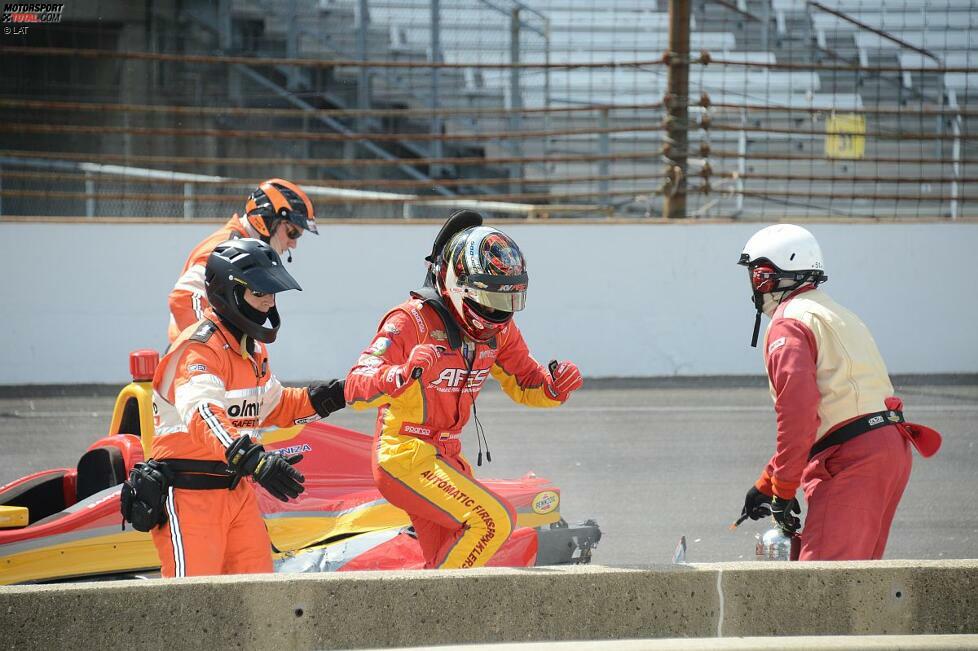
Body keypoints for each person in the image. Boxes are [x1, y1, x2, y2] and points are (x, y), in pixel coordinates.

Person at [344, 211, 584, 569]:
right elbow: (355, 387)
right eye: (490, 300)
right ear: (458, 285)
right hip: (403, 454)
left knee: (452, 560)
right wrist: (403, 373)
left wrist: (554, 388)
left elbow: (527, 381)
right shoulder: (410, 321)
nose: (499, 313)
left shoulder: (500, 330)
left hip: (448, 457)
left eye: (508, 301)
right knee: (493, 522)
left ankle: (432, 620)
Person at [737, 224, 941, 560]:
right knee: (858, 585)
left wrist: (784, 489)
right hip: (887, 447)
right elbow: (838, 405)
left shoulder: (788, 323)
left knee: (824, 589)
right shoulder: (836, 313)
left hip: (852, 458)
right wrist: (768, 483)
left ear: (765, 278)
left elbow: (799, 415)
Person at [149, 238, 345, 577]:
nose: (269, 304)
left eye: (272, 294)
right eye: (260, 293)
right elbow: (203, 415)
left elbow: (273, 405)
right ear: (231, 292)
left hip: (235, 490)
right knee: (192, 608)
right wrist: (254, 460)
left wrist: (332, 397)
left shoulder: (249, 349)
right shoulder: (201, 348)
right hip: (188, 494)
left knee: (257, 599)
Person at [167, 178, 318, 343]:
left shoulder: (246, 247)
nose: (294, 244)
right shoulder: (226, 247)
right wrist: (210, 345)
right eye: (292, 232)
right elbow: (184, 296)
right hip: (200, 359)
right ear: (266, 219)